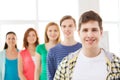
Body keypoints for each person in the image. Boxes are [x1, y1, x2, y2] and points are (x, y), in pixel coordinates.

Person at [54, 10, 120, 80]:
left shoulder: (116, 63)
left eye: (94, 30)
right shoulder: (65, 64)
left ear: (101, 32)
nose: (90, 35)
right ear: (79, 33)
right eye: (85, 30)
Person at [47, 15, 82, 80]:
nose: (67, 29)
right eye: (64, 26)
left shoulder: (83, 48)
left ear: (75, 27)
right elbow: (50, 77)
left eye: (70, 26)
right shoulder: (52, 52)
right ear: (61, 28)